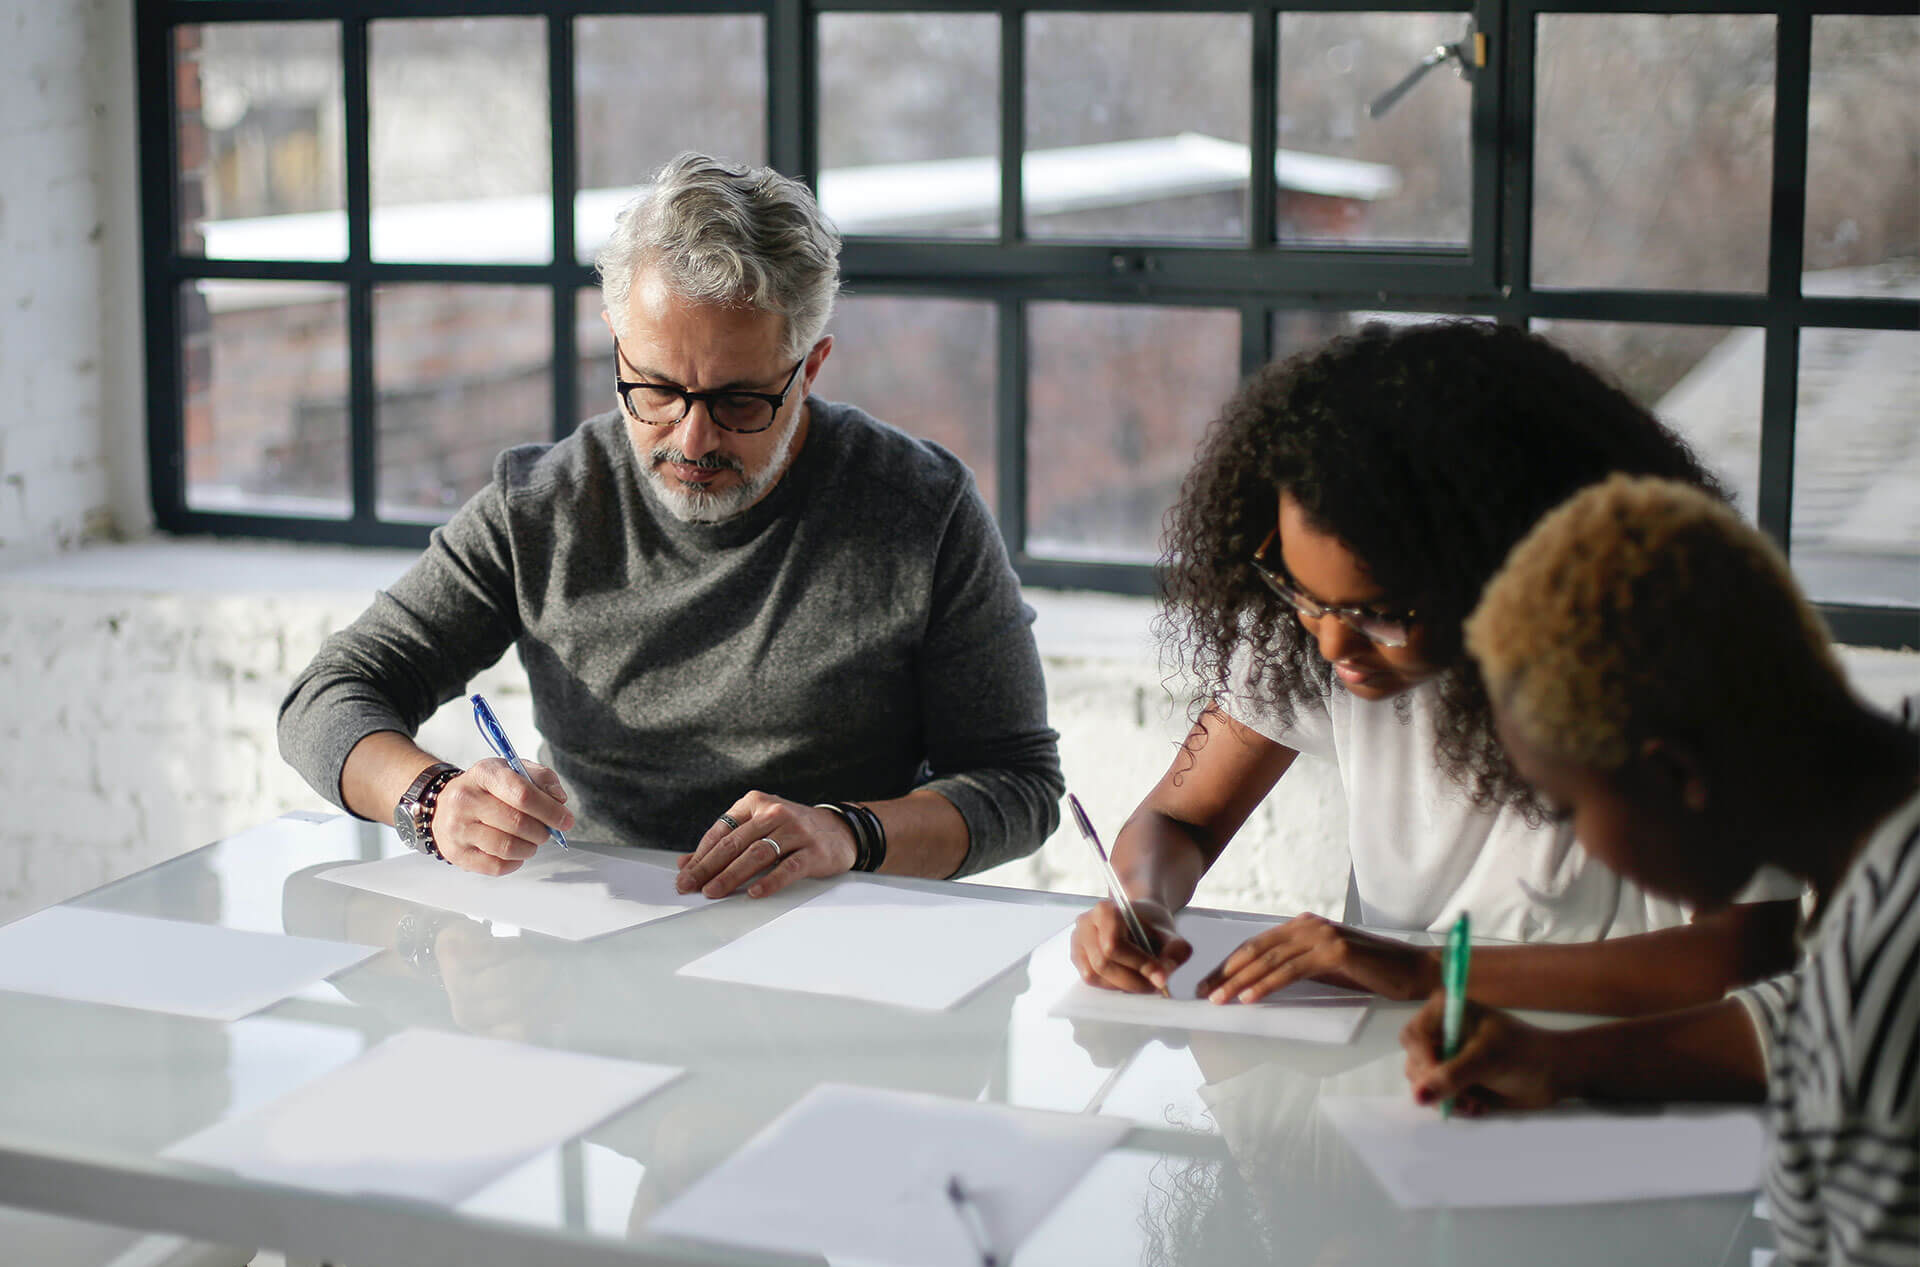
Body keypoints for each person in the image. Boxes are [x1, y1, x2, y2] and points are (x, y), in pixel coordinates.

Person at [280, 152, 1062, 897]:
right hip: (599, 944)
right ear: (620, 350)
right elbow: (327, 696)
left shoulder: (919, 508)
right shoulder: (543, 506)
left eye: (739, 402)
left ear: (811, 368)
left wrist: (850, 833)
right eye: (654, 391)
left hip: (836, 942)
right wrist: (433, 800)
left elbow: (1019, 785)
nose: (692, 441)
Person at [1071, 322, 1800, 1014]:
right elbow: (1178, 818)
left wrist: (1427, 972)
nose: (1331, 646)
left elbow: (1748, 951)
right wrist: (1142, 903)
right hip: (1396, 1071)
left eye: (1379, 614)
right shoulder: (1314, 631)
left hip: (1606, 1072)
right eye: (1300, 594)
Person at [1401, 475, 1918, 1267]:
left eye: (1568, 808)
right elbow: (1804, 1021)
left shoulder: (1890, 976)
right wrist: (1561, 1062)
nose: (1583, 846)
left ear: (1678, 775)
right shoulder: (1885, 829)